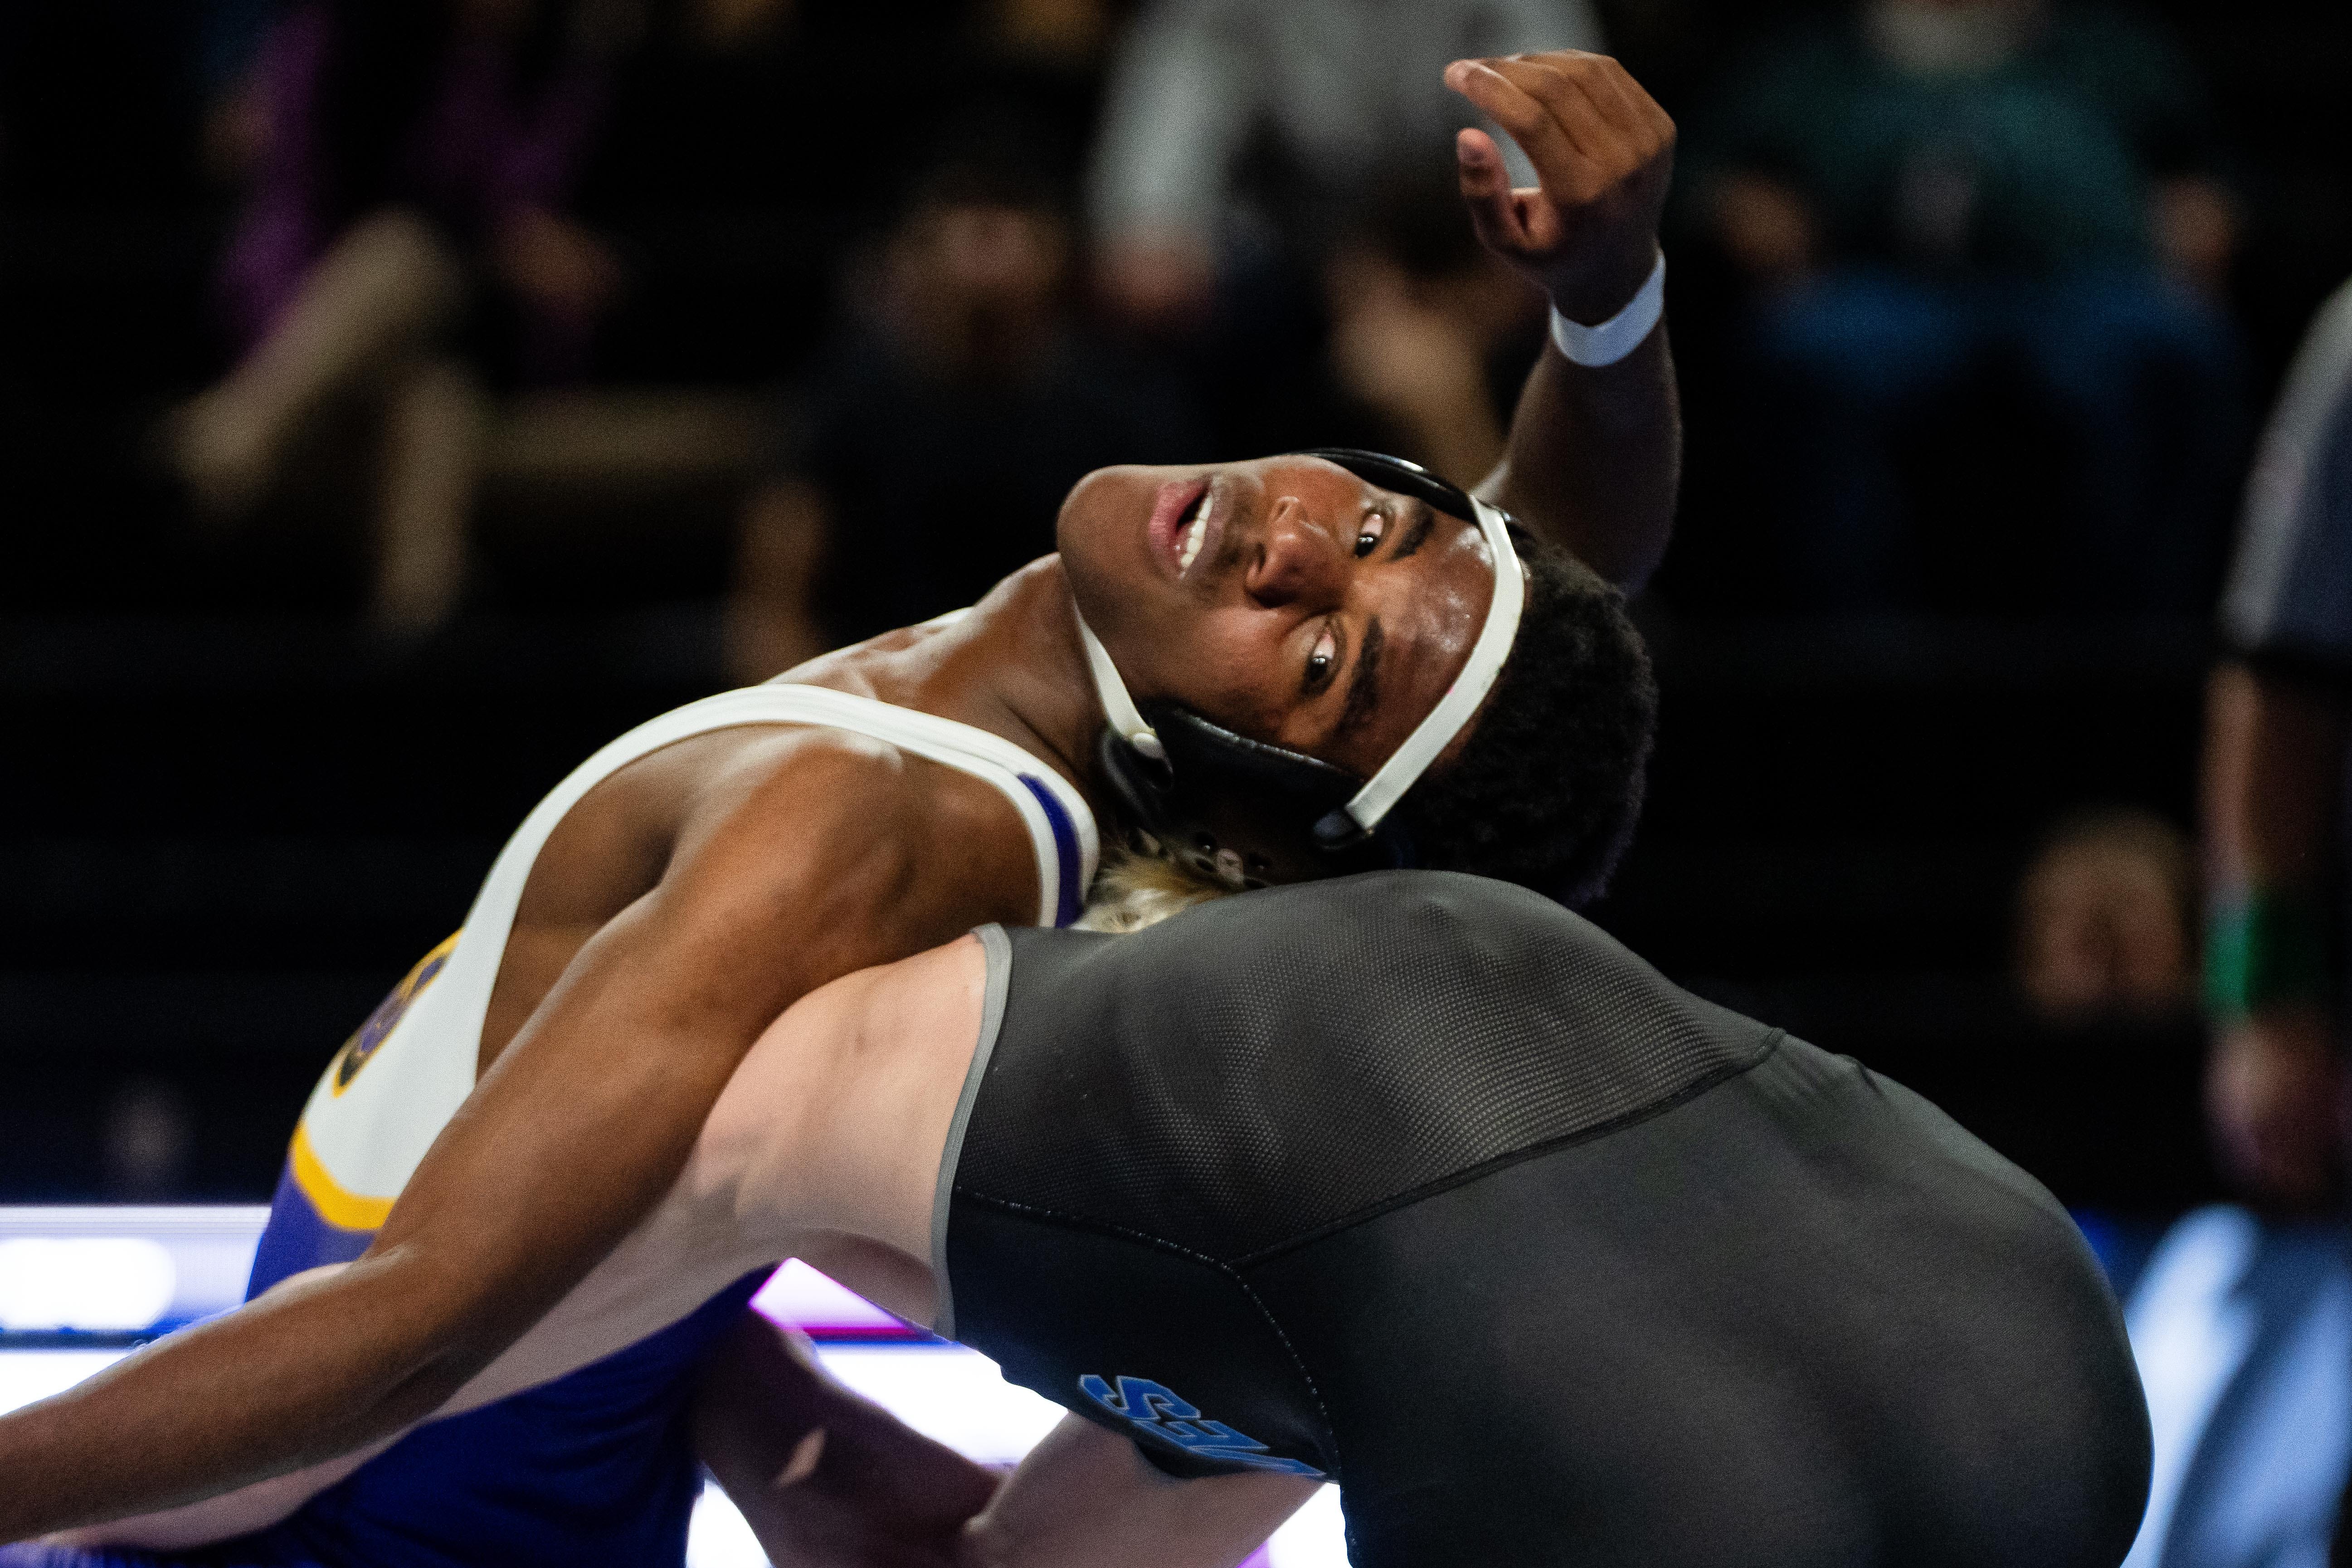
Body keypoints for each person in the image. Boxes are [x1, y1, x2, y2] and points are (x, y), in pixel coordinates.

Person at [0, 48, 1683, 1563]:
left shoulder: (873, 822)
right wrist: (1602, 312)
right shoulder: (1074, 725)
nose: (1303, 547)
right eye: (1385, 528)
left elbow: (407, 1329)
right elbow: (1535, 607)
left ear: (1266, 800)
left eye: (1317, 663)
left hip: (344, 1502)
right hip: (455, 1445)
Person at [3, 872, 2156, 1567]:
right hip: (2021, 1313)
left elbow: (351, 1377)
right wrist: (700, 1373)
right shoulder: (1279, 1098)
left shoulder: (814, 1060)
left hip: (1613, 1438)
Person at [1686, 0, 2243, 615]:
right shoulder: (1816, 57)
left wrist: (2192, 223)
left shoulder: (2107, 49)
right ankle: (1847, 655)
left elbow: (2201, 174)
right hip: (1879, 293)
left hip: (2082, 292)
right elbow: (1714, 173)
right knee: (1798, 356)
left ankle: (2138, 649)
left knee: (2177, 346)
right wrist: (1753, 213)